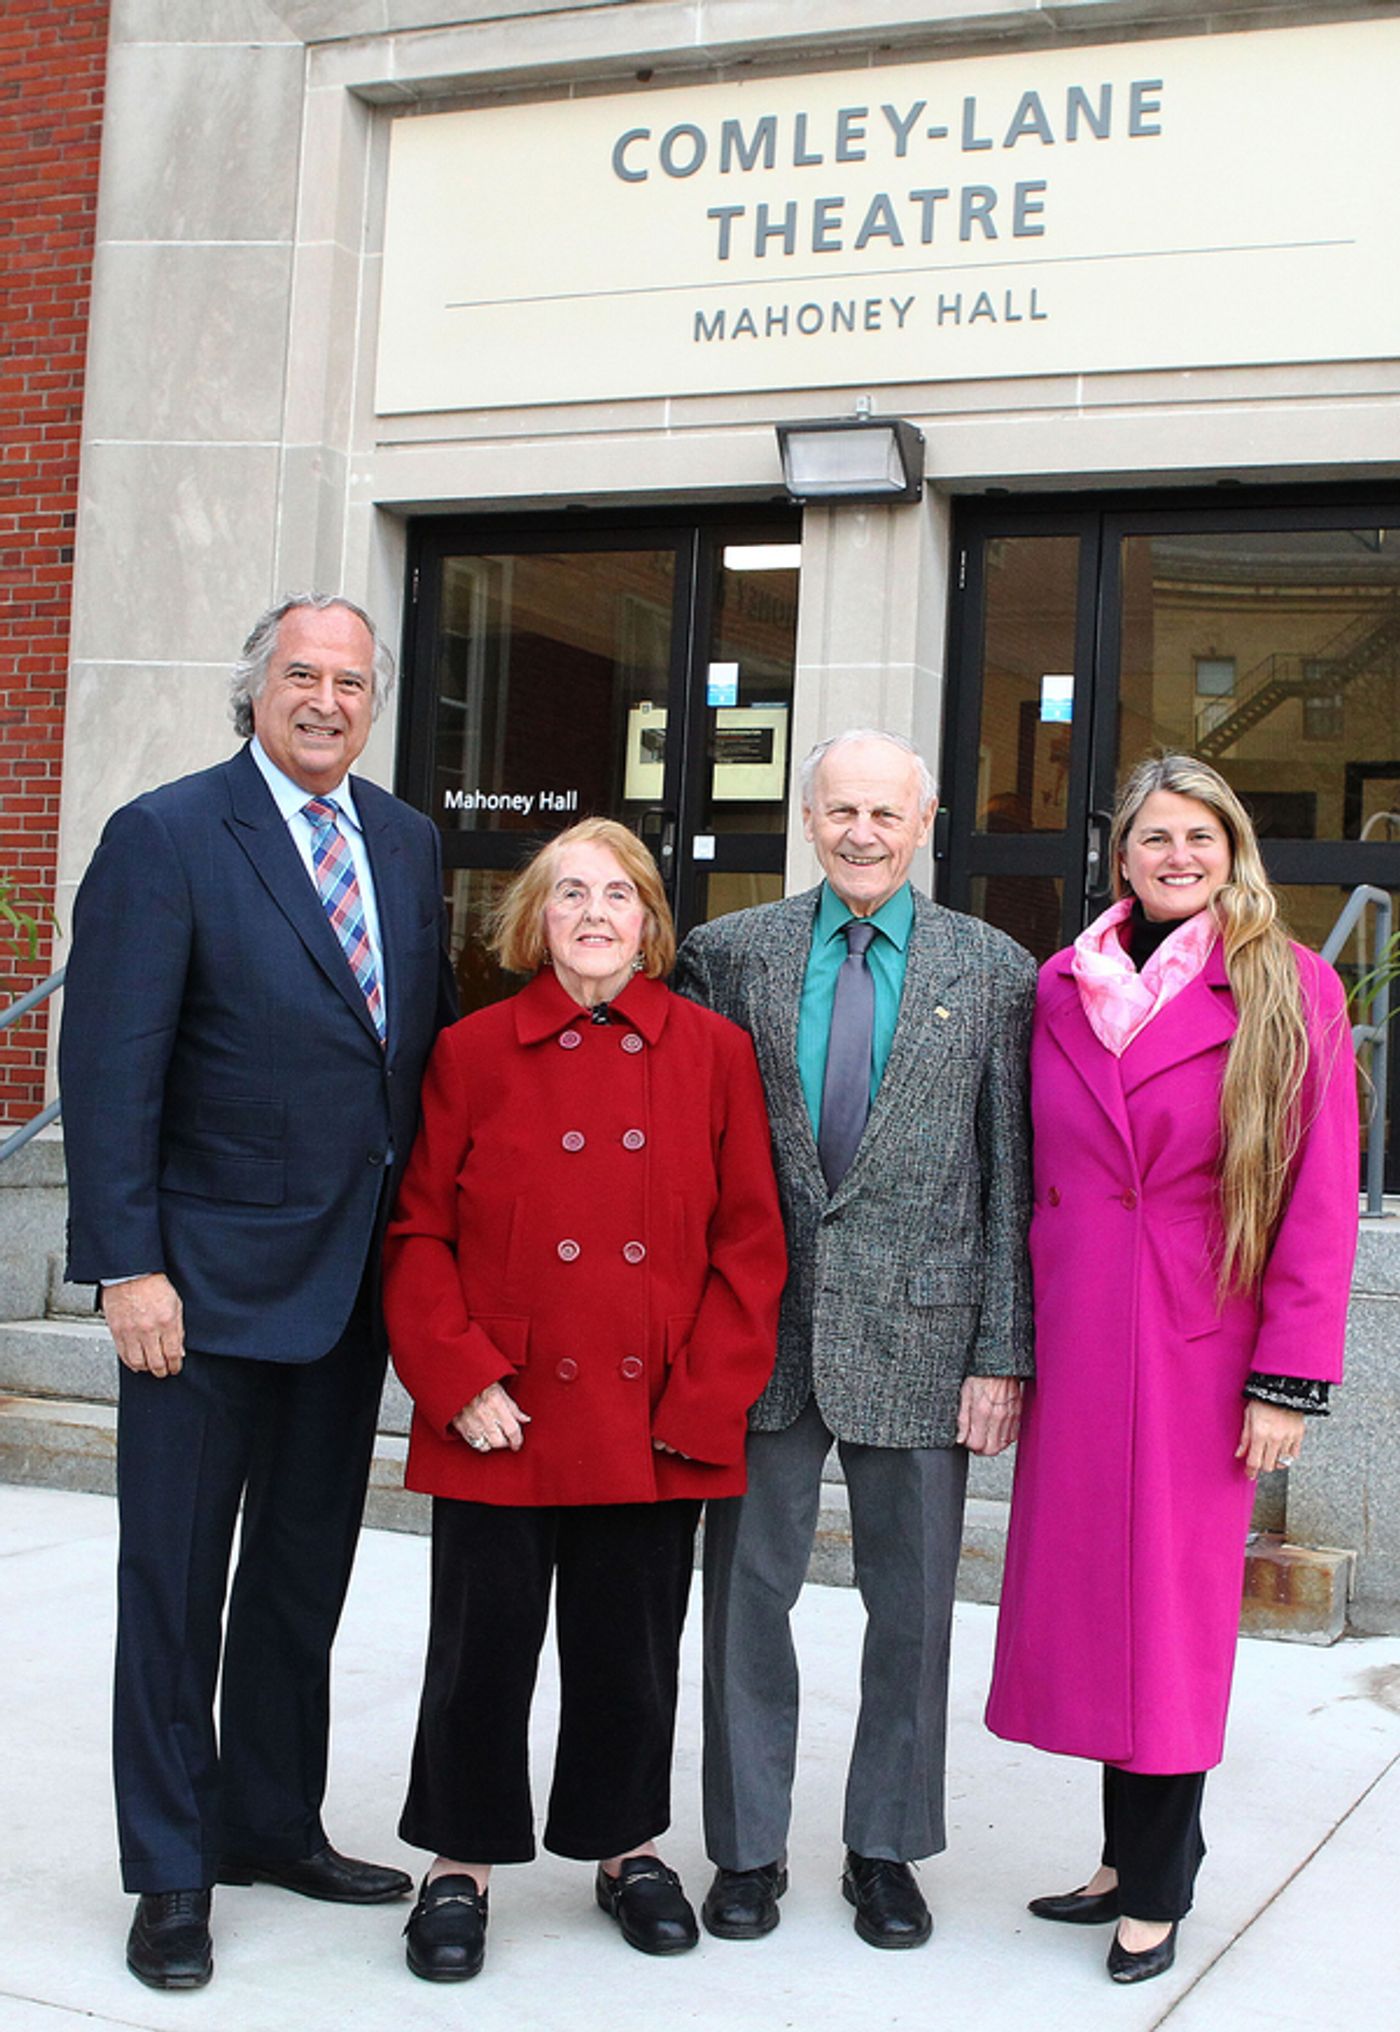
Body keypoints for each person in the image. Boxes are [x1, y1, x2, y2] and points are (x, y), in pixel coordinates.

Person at [59, 593, 457, 1991]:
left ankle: (271, 1819)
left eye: (353, 682)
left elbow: (408, 1060)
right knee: (173, 1588)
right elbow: (110, 1068)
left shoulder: (404, 841)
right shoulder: (166, 836)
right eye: (302, 675)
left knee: (301, 1580)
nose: (328, 701)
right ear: (255, 689)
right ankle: (172, 1870)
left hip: (349, 1291)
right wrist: (127, 1264)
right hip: (200, 1295)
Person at [384, 818, 786, 1982]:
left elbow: (750, 1245)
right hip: (501, 1408)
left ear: (651, 922)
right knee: (479, 1649)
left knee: (630, 1649)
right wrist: (456, 1378)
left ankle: (625, 1846)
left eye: (618, 894)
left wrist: (702, 1400)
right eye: (571, 894)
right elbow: (418, 1229)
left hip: (650, 1412)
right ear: (536, 918)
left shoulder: (712, 1050)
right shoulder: (470, 1050)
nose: (596, 913)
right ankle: (458, 1861)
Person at [986, 753, 1359, 1985]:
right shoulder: (1061, 984)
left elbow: (1316, 1193)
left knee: (1170, 1619)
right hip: (1082, 1335)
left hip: (1204, 1346)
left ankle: (1157, 1879)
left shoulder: (1285, 984)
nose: (1175, 855)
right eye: (1153, 836)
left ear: (1232, 847)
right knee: (1100, 1604)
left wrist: (1287, 1377)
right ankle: (1117, 1855)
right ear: (1120, 856)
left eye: (1198, 834)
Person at [672, 729, 1036, 1950]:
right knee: (742, 1602)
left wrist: (1001, 1351)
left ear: (925, 820)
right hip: (759, 1334)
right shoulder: (727, 956)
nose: (862, 832)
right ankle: (746, 1849)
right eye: (840, 811)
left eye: (885, 812)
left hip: (926, 1336)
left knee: (914, 1610)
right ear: (807, 817)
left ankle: (883, 1847)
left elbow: (1008, 1173)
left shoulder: (993, 971)